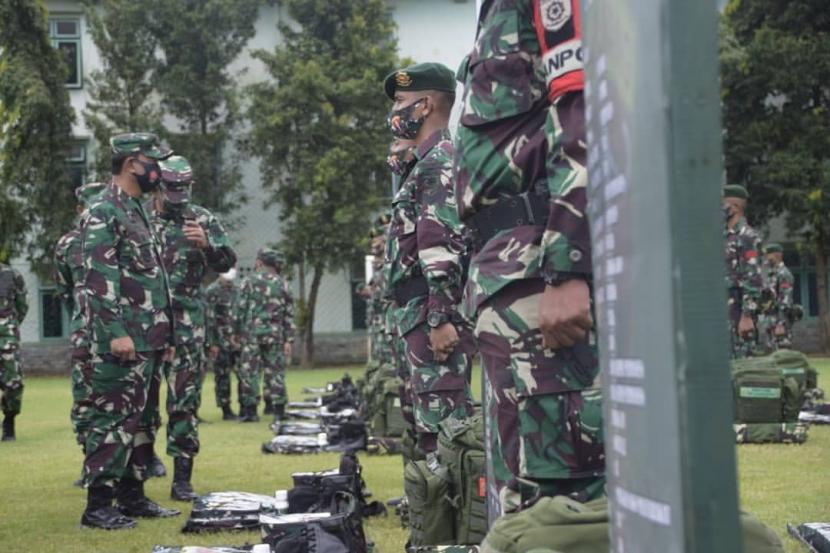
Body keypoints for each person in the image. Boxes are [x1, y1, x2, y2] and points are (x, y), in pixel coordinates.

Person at [454, 0, 606, 515]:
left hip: (544, 276)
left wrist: (570, 266)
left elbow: (586, 113)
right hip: (510, 279)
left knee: (557, 507)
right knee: (518, 498)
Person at [79, 132, 179, 529]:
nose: (159, 169)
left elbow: (153, 282)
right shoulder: (104, 211)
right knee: (113, 421)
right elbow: (98, 279)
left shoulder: (136, 210)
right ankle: (98, 506)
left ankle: (132, 496)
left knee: (139, 421)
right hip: (122, 340)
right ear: (130, 163)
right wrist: (115, 332)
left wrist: (165, 338)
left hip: (148, 340)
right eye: (152, 160)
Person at [382, 62, 475, 457]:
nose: (394, 112)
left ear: (426, 105)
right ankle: (432, 510)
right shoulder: (423, 163)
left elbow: (442, 247)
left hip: (431, 312)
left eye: (402, 101)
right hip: (418, 311)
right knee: (429, 420)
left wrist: (439, 317)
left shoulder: (439, 162)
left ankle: (451, 512)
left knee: (445, 427)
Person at [150, 155, 237, 501]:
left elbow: (228, 262)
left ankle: (181, 479)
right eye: (171, 187)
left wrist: (207, 245)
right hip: (147, 323)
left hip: (188, 325)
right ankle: (136, 478)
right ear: (158, 185)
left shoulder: (201, 218)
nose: (177, 194)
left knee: (184, 400)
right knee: (140, 404)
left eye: (182, 188)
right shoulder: (141, 218)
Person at [54, 182, 106, 484]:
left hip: (121, 334)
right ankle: (90, 466)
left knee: (124, 401)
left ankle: (130, 467)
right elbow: (63, 290)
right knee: (84, 400)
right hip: (84, 335)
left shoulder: (120, 238)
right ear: (79, 210)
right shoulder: (68, 244)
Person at [236, 248, 294, 423]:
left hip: (252, 333)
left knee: (250, 372)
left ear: (259, 262)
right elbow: (289, 314)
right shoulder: (283, 284)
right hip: (275, 334)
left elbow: (240, 309)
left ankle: (250, 411)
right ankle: (278, 410)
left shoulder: (248, 282)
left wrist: (237, 333)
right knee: (275, 371)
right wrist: (289, 339)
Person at [723, 184, 763, 359]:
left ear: (735, 208)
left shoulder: (747, 236)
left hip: (739, 312)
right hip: (725, 310)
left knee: (742, 365)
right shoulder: (725, 236)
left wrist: (747, 315)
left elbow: (753, 278)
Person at [205, 268, 243, 420]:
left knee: (244, 374)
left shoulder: (238, 290)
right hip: (220, 341)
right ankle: (225, 408)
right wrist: (213, 342)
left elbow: (241, 314)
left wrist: (240, 335)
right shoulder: (212, 291)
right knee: (222, 376)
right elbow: (210, 319)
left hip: (238, 341)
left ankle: (246, 406)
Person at [0, 260, 27, 442]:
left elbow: (22, 305)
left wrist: (9, 326)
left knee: (13, 383)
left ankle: (9, 420)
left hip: (6, 337)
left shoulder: (11, 274)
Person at [761, 243, 795, 351]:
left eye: (768, 255)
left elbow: (785, 300)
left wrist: (781, 324)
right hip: (769, 321)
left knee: (782, 354)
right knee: (771, 355)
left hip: (780, 321)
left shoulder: (784, 274)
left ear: (778, 255)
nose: (766, 258)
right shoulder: (771, 274)